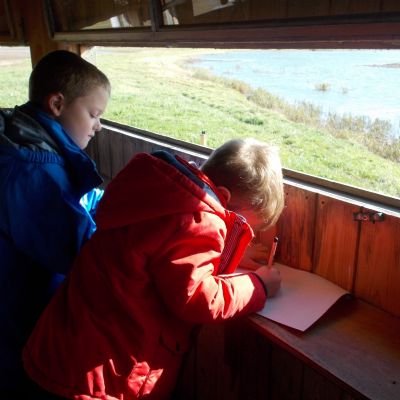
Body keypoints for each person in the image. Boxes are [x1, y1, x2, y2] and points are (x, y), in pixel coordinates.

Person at [23, 138, 284, 400]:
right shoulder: (197, 219)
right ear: (223, 198)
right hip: (104, 375)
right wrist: (257, 286)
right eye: (238, 225)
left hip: (60, 345)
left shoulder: (157, 187)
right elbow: (199, 297)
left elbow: (162, 247)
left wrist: (230, 250)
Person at [0, 50, 110, 396]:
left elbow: (74, 201)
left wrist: (110, 202)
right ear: (57, 104)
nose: (98, 126)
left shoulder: (24, 140)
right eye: (94, 114)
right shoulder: (34, 169)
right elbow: (79, 253)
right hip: (16, 319)